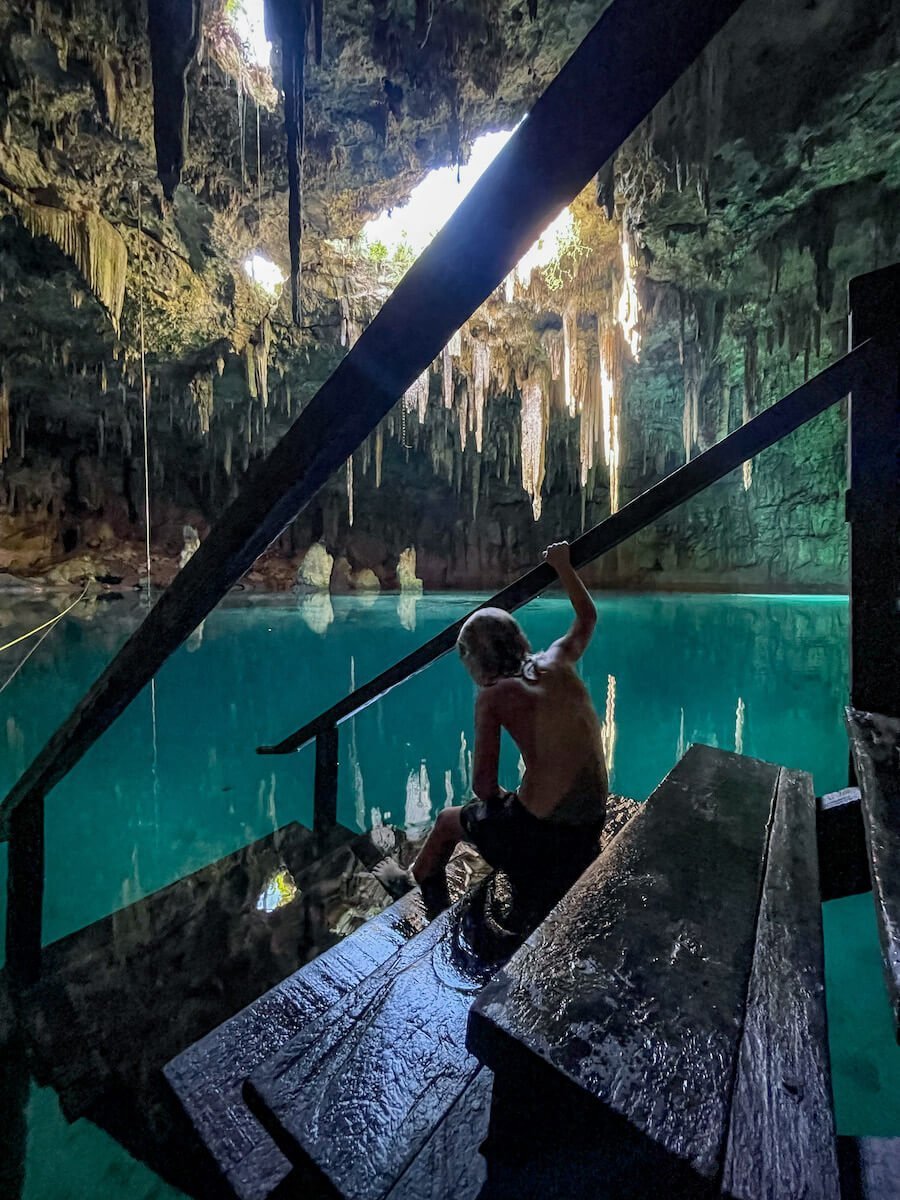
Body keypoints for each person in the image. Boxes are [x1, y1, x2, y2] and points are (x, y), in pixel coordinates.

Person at [373, 541, 608, 911]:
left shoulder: (496, 695)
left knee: (449, 820)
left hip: (549, 839)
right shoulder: (557, 660)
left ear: (476, 662)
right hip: (592, 825)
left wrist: (500, 803)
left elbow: (483, 785)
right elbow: (587, 618)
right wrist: (562, 566)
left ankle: (412, 883)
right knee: (513, 806)